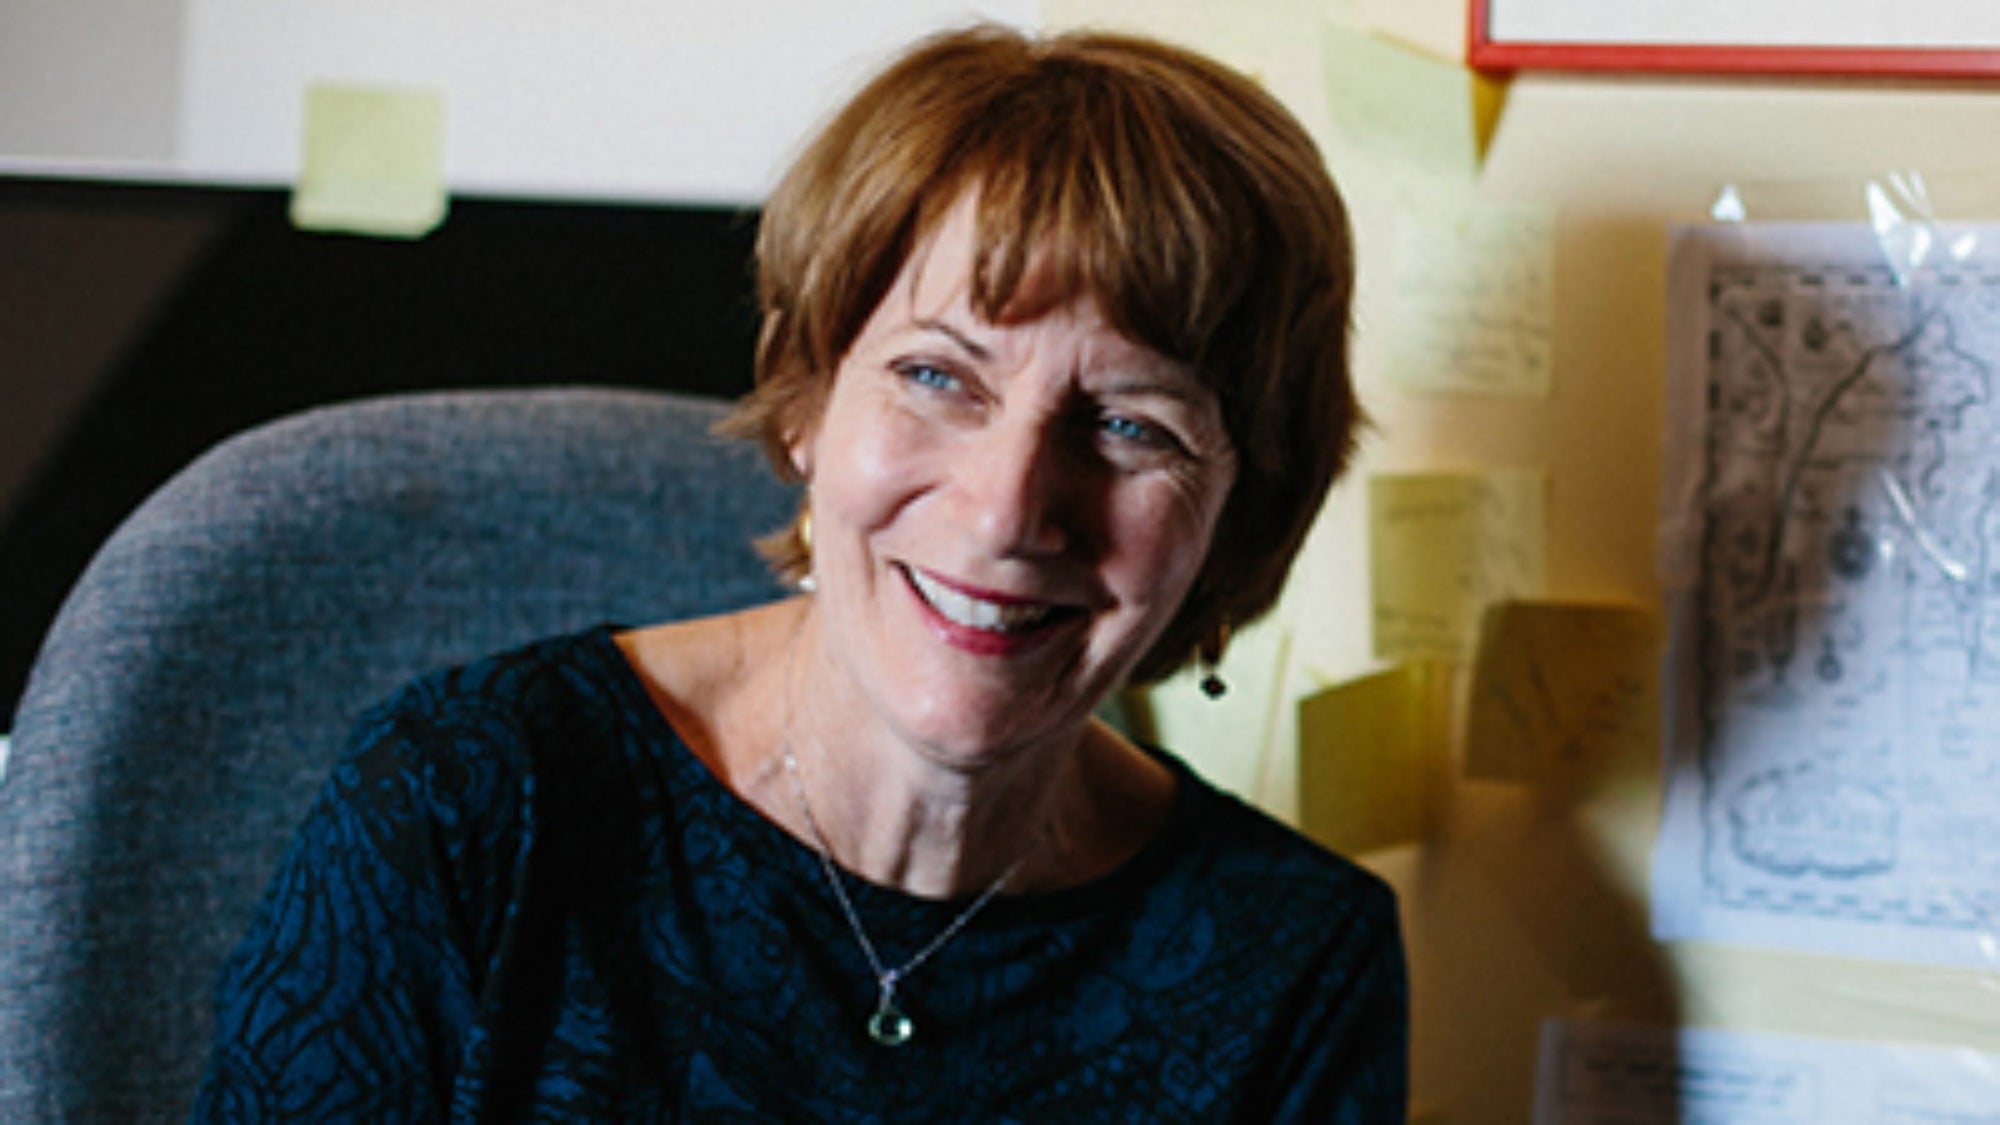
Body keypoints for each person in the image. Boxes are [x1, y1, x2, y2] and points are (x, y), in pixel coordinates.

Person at [193, 22, 1406, 1122]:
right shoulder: (468, 806)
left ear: (1240, 511)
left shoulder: (1290, 959)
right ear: (806, 402)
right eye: (939, 377)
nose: (1006, 509)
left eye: (1133, 426)